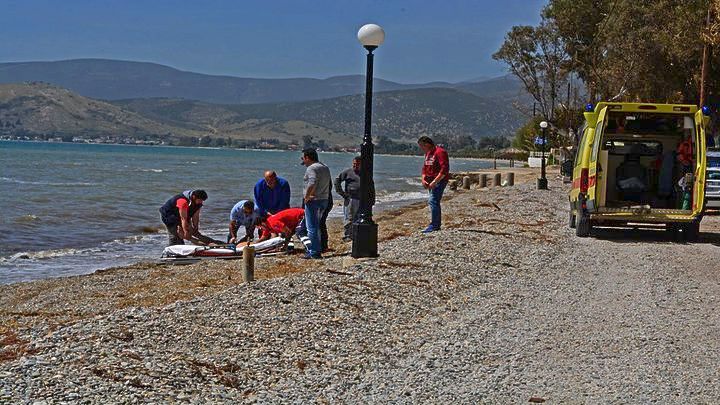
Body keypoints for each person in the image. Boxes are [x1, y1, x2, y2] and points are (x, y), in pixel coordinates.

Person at [301, 148, 332, 259]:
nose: (303, 161)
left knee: (311, 227)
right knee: (317, 225)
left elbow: (312, 182)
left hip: (313, 200)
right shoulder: (325, 167)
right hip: (324, 199)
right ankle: (318, 248)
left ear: (307, 158)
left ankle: (314, 252)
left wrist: (307, 196)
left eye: (303, 158)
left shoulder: (311, 168)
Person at [334, 156, 374, 241]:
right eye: (354, 164)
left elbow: (371, 187)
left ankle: (356, 234)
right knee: (349, 218)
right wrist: (342, 193)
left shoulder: (365, 174)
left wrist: (372, 199)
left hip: (362, 199)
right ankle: (348, 235)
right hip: (350, 199)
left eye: (357, 164)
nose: (355, 166)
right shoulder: (348, 172)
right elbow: (337, 180)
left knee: (359, 218)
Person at [418, 136, 450, 233]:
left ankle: (435, 225)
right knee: (433, 201)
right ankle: (435, 223)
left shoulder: (440, 152)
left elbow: (444, 169)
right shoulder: (428, 154)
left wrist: (434, 182)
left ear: (427, 144)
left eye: (422, 147)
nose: (421, 149)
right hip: (430, 181)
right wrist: (423, 179)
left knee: (433, 201)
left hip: (439, 181)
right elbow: (424, 168)